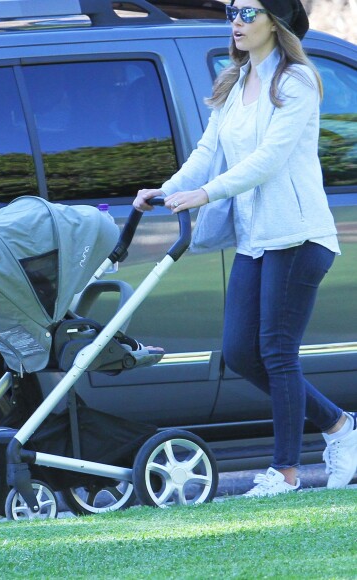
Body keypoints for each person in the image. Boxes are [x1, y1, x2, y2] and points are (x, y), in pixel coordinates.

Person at [133, 0, 357, 497]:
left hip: (298, 236)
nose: (234, 20)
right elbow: (207, 152)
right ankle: (341, 425)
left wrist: (206, 194)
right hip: (257, 238)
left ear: (274, 24)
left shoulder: (296, 83)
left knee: (277, 352)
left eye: (247, 13)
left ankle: (285, 473)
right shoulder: (234, 84)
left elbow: (269, 159)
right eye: (232, 10)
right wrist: (167, 190)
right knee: (239, 352)